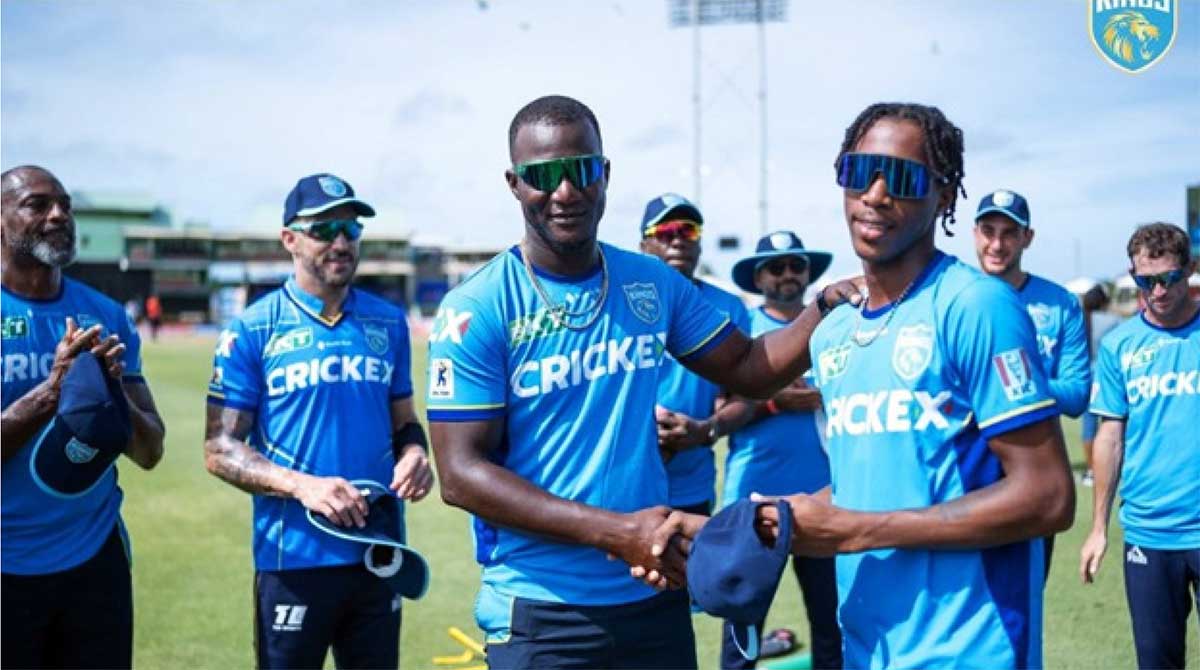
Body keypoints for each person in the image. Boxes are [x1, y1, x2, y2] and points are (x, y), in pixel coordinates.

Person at [425, 94, 860, 670]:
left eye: (580, 170)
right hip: (541, 608)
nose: (564, 192)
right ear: (514, 183)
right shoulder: (475, 308)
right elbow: (461, 476)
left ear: (604, 174)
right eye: (542, 176)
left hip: (651, 591)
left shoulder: (649, 283)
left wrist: (824, 308)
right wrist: (615, 532)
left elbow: (749, 369)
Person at [744, 102, 1074, 668]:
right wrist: (795, 515)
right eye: (858, 172)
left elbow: (1048, 496)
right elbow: (872, 484)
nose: (874, 194)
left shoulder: (977, 305)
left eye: (900, 178)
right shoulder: (835, 332)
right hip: (868, 646)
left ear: (944, 197)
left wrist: (855, 530)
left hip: (970, 648)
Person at [203, 173, 434, 669]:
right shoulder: (252, 329)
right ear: (289, 239)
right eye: (325, 228)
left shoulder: (387, 322)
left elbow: (404, 426)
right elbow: (220, 448)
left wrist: (417, 454)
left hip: (378, 552)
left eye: (351, 230)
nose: (341, 241)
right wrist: (303, 486)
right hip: (294, 559)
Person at [1, 165, 166, 669]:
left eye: (66, 205)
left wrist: (111, 390)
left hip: (93, 558)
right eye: (37, 204)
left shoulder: (105, 315)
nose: (59, 215)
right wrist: (54, 391)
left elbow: (149, 451)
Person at [717, 231, 842, 670]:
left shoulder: (835, 326)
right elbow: (721, 407)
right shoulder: (742, 327)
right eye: (776, 266)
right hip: (754, 495)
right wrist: (774, 400)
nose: (788, 274)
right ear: (758, 277)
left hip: (824, 493)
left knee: (833, 624)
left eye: (797, 266)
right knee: (743, 625)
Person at [1080, 223, 1199, 670]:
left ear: (1189, 269)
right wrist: (1098, 528)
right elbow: (1109, 437)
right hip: (1148, 533)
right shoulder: (1119, 346)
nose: (1158, 290)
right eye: (1145, 281)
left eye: (1168, 278)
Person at [973, 188, 1090, 579]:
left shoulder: (1060, 303)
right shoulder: (954, 297)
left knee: (1024, 596)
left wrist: (1015, 383)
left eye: (1009, 233)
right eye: (988, 231)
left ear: (1028, 238)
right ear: (975, 234)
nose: (997, 243)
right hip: (965, 468)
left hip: (1033, 470)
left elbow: (1076, 394)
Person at [639, 192, 750, 516]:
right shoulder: (619, 302)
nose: (678, 241)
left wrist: (705, 430)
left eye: (688, 231)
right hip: (626, 483)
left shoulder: (728, 308)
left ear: (699, 244)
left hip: (692, 485)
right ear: (644, 245)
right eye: (665, 232)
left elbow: (744, 398)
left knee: (687, 567)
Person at [1078, 282, 1119, 487]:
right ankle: (1111, 468)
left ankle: (1091, 471)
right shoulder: (1112, 321)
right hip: (1106, 378)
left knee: (1088, 427)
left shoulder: (1079, 320)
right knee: (1111, 425)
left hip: (1085, 376)